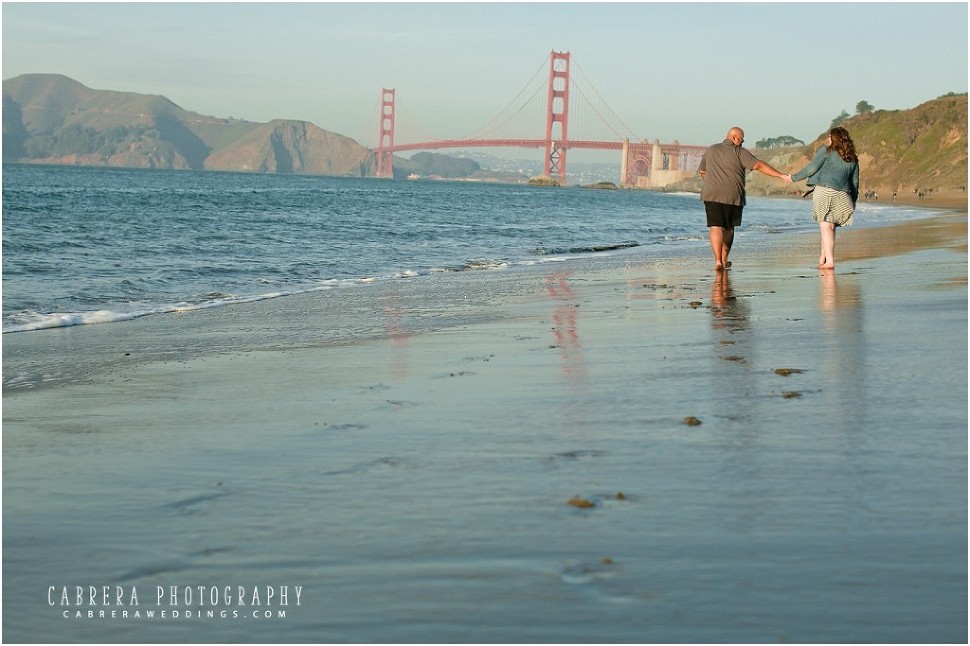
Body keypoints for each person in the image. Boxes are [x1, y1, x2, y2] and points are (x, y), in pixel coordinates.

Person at [698, 127, 792, 271]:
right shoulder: (739, 152)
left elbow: (703, 171)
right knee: (729, 228)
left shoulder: (711, 150)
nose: (742, 142)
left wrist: (712, 183)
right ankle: (724, 259)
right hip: (732, 194)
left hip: (711, 194)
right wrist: (780, 175)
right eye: (741, 139)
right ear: (734, 137)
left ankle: (717, 260)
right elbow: (758, 165)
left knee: (715, 226)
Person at [790, 127, 860, 269]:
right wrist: (853, 199)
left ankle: (830, 262)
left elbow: (811, 168)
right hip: (843, 194)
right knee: (830, 226)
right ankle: (823, 258)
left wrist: (793, 177)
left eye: (829, 136)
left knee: (825, 226)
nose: (827, 138)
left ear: (833, 138)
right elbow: (855, 182)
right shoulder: (852, 158)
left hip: (824, 191)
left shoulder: (827, 151)